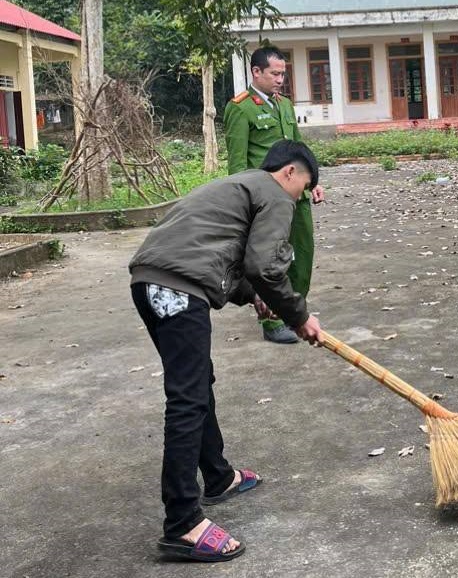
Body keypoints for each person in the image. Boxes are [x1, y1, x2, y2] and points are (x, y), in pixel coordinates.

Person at [129, 140, 325, 562]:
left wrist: (251, 295)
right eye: (304, 187)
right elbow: (265, 265)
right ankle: (182, 523)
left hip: (152, 282)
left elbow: (223, 256)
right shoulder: (274, 192)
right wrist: (298, 316)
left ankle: (217, 476)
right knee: (187, 399)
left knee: (197, 384)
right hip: (178, 289)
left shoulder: (239, 185)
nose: (301, 198)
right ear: (290, 171)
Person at [224, 45, 324, 344]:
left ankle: (295, 315)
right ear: (256, 72)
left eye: (283, 73)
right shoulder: (241, 108)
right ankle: (271, 323)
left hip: (297, 196)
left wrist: (313, 181)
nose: (280, 79)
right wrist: (244, 205)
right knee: (271, 261)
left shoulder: (284, 105)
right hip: (266, 200)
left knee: (302, 257)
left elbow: (298, 150)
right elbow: (238, 164)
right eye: (274, 73)